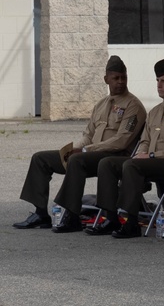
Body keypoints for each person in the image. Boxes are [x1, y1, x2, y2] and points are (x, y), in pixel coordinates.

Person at [14, 56, 147, 233]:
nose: (120, 82)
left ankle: (71, 216)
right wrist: (74, 148)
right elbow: (88, 134)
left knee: (76, 160)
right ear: (106, 79)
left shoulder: (133, 105)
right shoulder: (101, 104)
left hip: (115, 155)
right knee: (41, 158)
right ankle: (40, 214)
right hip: (90, 154)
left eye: (123, 77)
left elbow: (121, 140)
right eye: (116, 78)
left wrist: (84, 150)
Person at [87, 58, 164, 238]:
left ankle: (131, 223)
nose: (159, 85)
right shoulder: (154, 111)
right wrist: (141, 153)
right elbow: (144, 140)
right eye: (157, 81)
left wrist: (151, 155)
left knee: (131, 166)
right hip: (149, 160)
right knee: (107, 163)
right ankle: (111, 217)